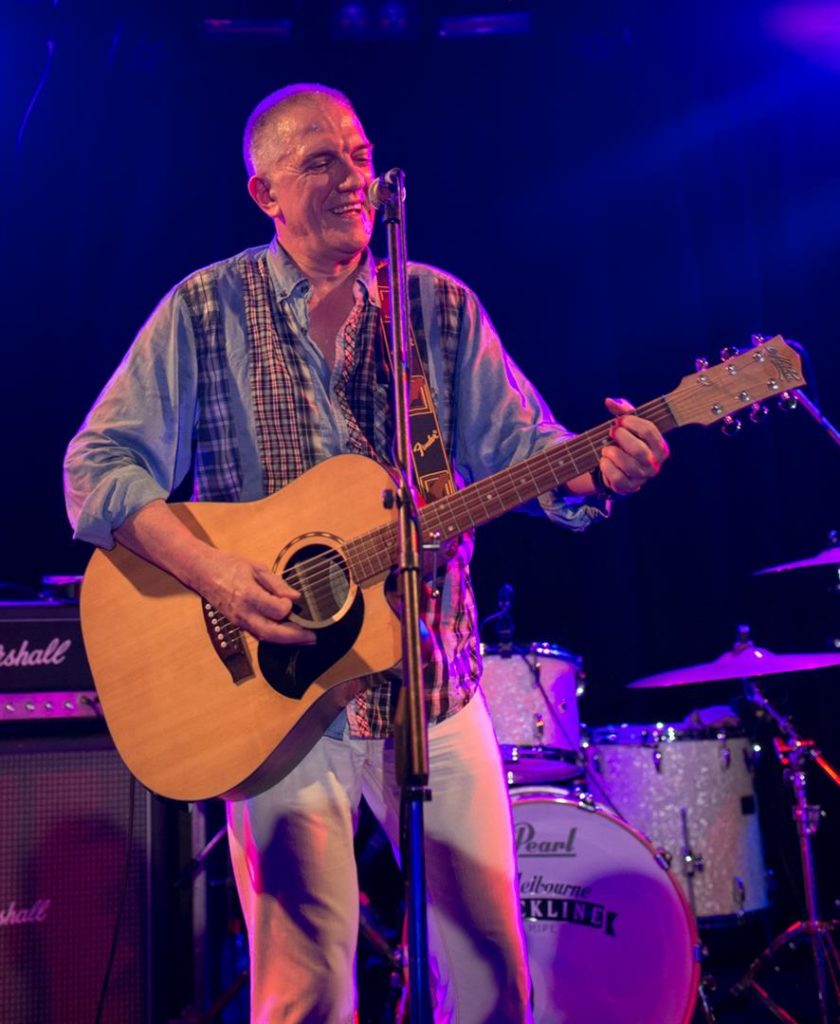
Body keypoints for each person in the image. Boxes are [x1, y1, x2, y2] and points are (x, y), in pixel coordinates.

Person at [64, 83, 669, 1023]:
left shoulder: (438, 307)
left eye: (358, 155)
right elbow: (96, 466)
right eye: (320, 162)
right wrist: (213, 571)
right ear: (265, 192)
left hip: (431, 687)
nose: (353, 177)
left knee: (493, 980)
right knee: (305, 993)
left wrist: (596, 472)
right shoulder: (202, 310)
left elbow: (527, 452)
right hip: (271, 706)